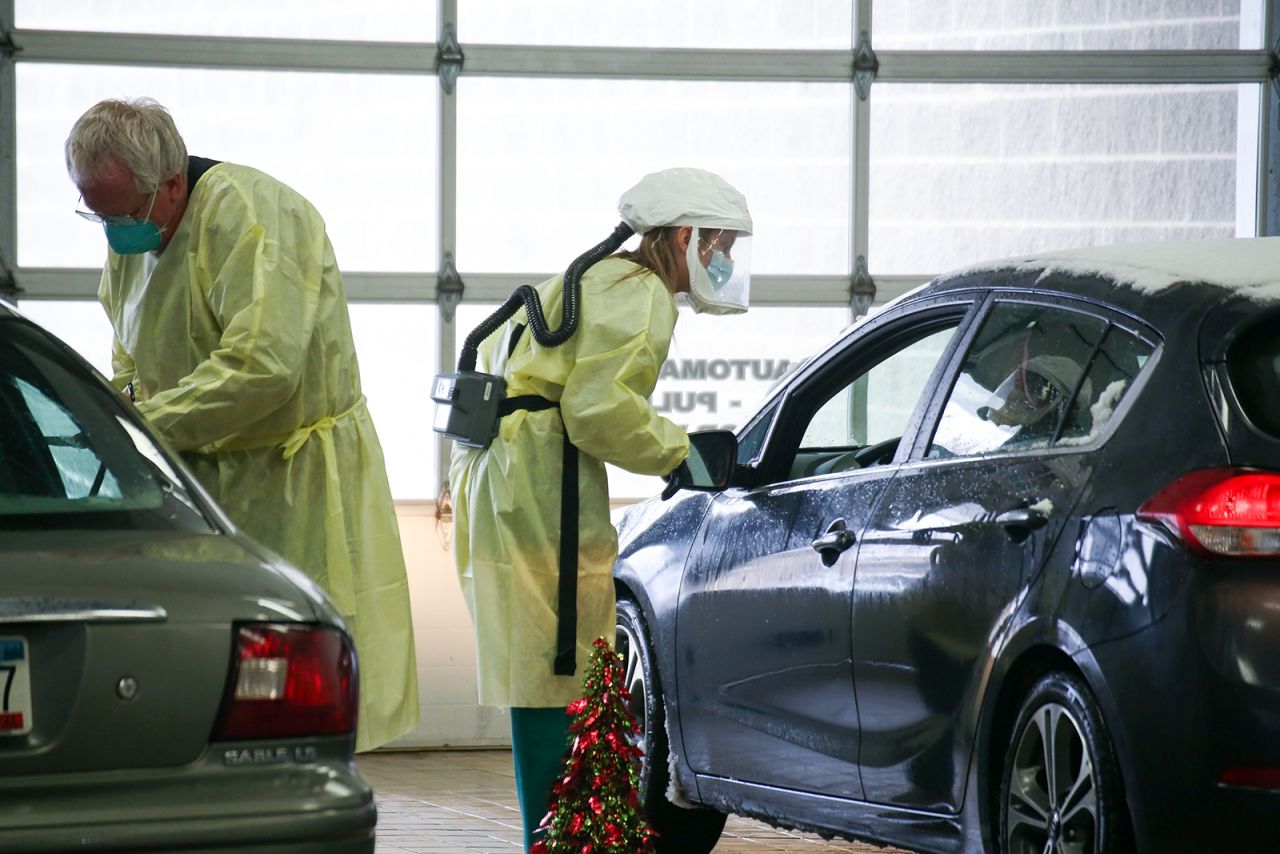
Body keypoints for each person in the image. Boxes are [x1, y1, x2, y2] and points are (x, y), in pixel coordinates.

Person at [64, 97, 419, 752]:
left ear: (171, 185)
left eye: (122, 212)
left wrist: (140, 428)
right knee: (217, 682)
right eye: (97, 213)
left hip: (291, 479)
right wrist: (116, 414)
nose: (114, 231)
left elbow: (263, 368)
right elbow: (129, 357)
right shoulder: (134, 230)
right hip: (203, 475)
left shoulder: (255, 217)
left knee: (290, 686)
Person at [449, 166, 753, 848]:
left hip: (505, 475)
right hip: (539, 486)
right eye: (718, 245)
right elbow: (596, 408)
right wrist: (679, 454)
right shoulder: (643, 293)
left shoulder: (597, 279)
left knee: (543, 667)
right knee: (557, 670)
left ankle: (556, 835)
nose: (723, 260)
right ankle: (555, 839)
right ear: (682, 236)